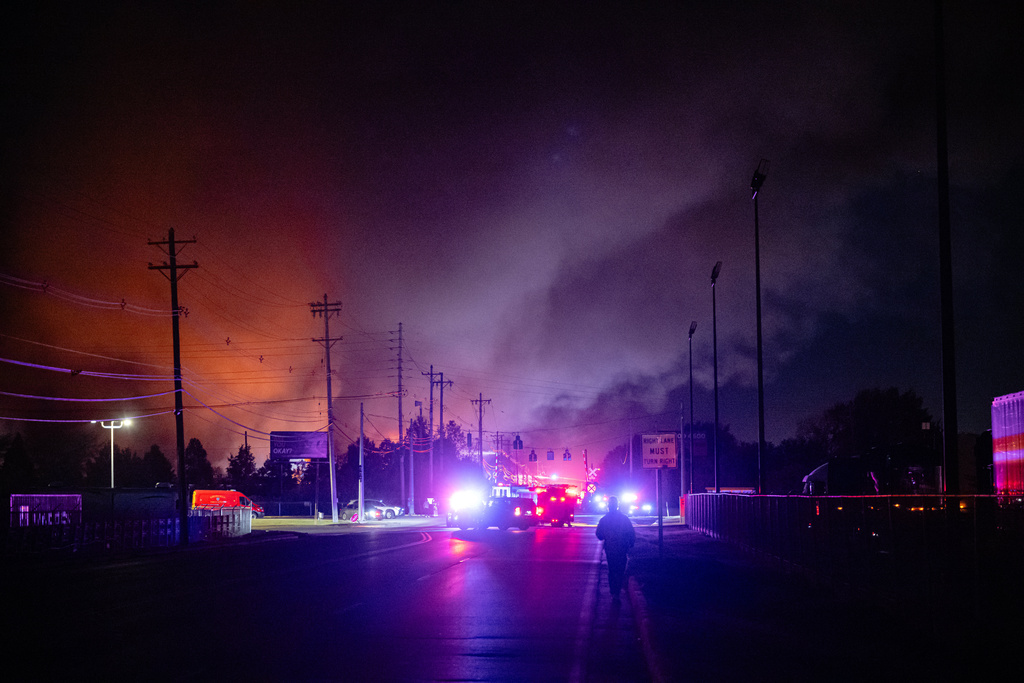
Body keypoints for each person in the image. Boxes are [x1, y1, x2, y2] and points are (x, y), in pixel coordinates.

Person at [595, 496, 635, 600]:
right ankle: (617, 590)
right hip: (622, 548)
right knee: (621, 569)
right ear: (617, 506)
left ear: (608, 506)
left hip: (610, 549)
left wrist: (606, 536)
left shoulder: (604, 520)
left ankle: (614, 592)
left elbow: (599, 534)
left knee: (612, 570)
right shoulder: (624, 518)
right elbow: (631, 532)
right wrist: (631, 542)